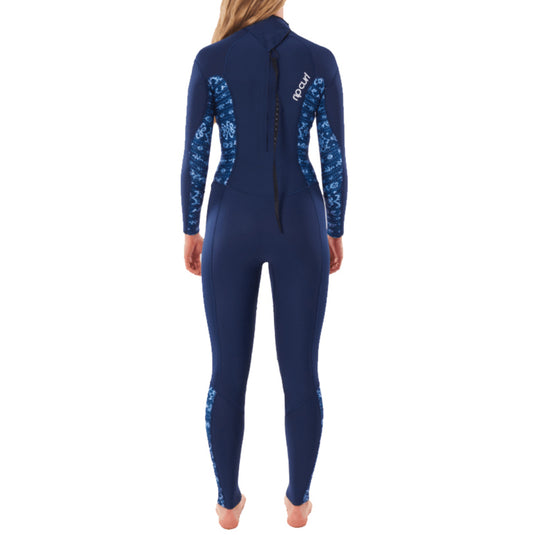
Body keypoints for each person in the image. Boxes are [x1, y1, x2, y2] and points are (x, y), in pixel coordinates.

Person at [180, 0, 347, 528]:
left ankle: (228, 504)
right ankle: (298, 503)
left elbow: (196, 154)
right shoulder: (318, 60)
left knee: (226, 373)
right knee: (302, 374)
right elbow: (333, 155)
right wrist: (335, 227)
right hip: (301, 225)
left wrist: (190, 227)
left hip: (229, 225)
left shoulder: (212, 60)